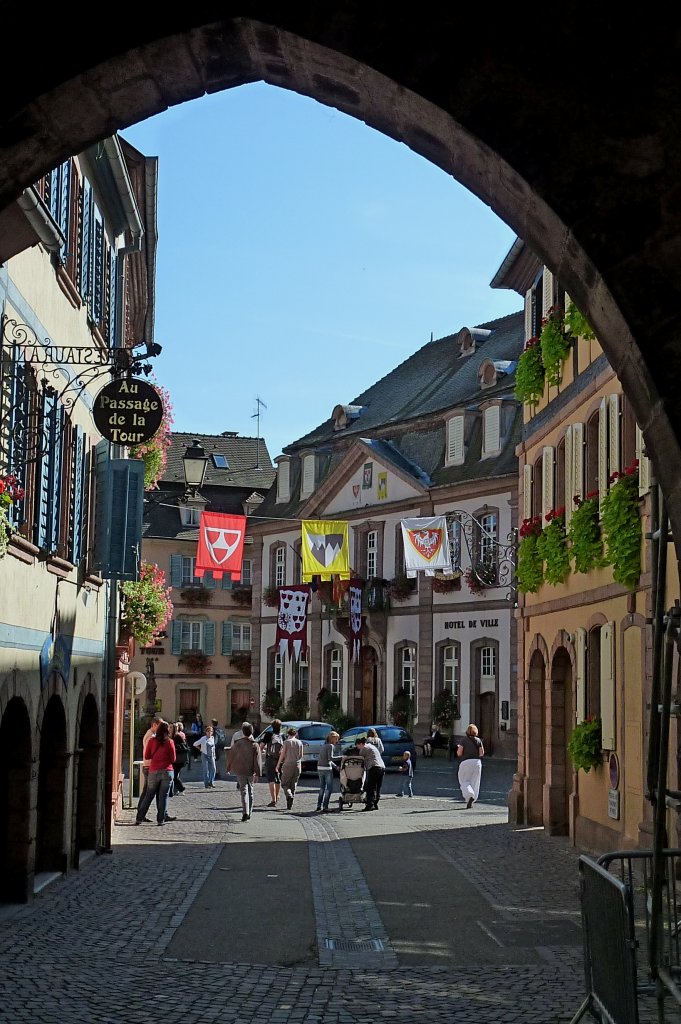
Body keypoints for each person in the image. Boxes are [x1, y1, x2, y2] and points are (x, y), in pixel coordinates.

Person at [135, 721, 177, 826]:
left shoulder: (152, 741)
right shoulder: (170, 742)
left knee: (149, 795)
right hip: (167, 771)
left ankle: (139, 818)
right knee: (163, 796)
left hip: (153, 770)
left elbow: (147, 755)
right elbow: (173, 758)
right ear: (167, 731)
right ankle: (160, 820)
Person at [226, 721, 262, 821]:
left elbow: (231, 755)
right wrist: (258, 773)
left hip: (240, 770)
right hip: (250, 771)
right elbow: (257, 760)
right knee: (250, 791)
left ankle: (245, 811)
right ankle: (249, 812)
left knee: (244, 791)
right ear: (252, 732)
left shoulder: (238, 743)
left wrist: (228, 767)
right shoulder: (255, 745)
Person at [456, 723, 485, 808]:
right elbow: (482, 753)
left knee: (464, 781)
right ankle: (472, 799)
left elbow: (459, 752)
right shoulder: (479, 740)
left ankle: (469, 795)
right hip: (477, 763)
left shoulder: (463, 740)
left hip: (466, 762)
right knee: (475, 782)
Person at [276, 727, 305, 810]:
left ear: (288, 734)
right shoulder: (300, 742)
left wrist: (278, 765)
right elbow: (301, 755)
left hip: (288, 764)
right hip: (297, 764)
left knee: (285, 783)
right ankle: (290, 803)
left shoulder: (286, 742)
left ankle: (289, 795)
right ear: (295, 734)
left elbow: (282, 754)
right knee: (294, 783)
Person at [355, 735, 385, 811]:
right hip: (382, 766)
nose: (357, 748)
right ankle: (375, 804)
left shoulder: (364, 749)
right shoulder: (371, 746)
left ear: (361, 744)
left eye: (357, 746)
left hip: (374, 767)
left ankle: (369, 805)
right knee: (378, 787)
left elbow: (360, 759)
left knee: (370, 787)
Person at [261, 719, 284, 807]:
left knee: (271, 779)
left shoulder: (269, 734)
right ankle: (277, 796)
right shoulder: (282, 735)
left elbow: (261, 745)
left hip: (270, 758)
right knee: (278, 778)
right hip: (279, 759)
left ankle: (273, 799)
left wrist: (261, 751)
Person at [316, 731, 340, 812]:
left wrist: (335, 766)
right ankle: (325, 806)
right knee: (329, 788)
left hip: (319, 767)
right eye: (336, 739)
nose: (337, 741)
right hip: (326, 768)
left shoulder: (323, 746)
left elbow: (327, 759)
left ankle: (319, 805)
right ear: (332, 738)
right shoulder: (330, 746)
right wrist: (342, 757)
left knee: (322, 787)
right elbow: (331, 758)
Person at [193, 723, 217, 788]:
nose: (209, 733)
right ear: (206, 732)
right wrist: (200, 748)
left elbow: (213, 747)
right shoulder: (203, 738)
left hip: (211, 755)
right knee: (206, 770)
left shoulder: (212, 738)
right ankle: (206, 784)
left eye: (211, 731)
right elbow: (195, 744)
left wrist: (214, 755)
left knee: (214, 769)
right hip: (205, 755)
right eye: (208, 731)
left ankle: (211, 782)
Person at [170, 721, 189, 795]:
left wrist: (175, 748)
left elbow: (184, 747)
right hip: (173, 760)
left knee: (174, 776)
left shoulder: (177, 737)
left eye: (171, 727)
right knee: (173, 775)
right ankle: (173, 790)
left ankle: (181, 789)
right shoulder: (170, 736)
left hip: (179, 760)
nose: (169, 728)